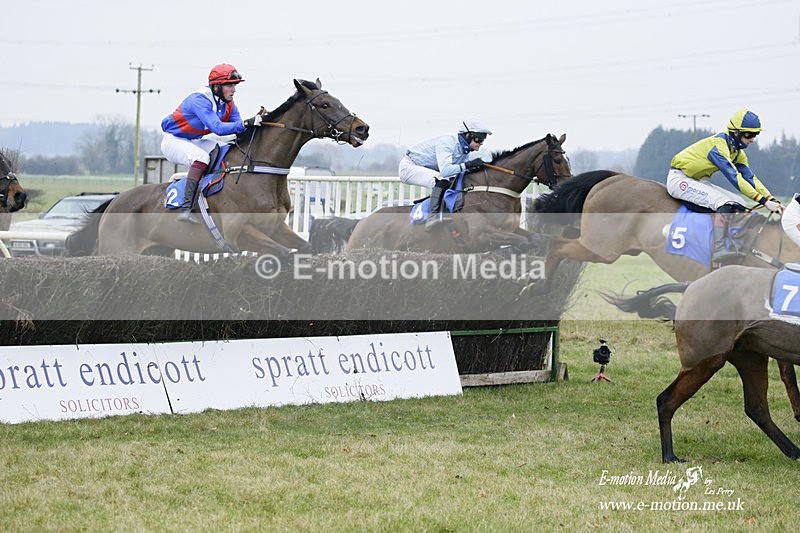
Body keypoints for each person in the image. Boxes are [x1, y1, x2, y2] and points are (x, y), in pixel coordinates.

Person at [666, 109, 783, 263]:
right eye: (749, 135)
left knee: (739, 202)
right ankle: (719, 249)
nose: (753, 139)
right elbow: (735, 178)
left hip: (694, 180)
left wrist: (771, 199)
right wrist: (764, 202)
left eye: (755, 135)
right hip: (679, 179)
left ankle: (734, 243)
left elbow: (750, 178)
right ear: (736, 133)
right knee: (724, 202)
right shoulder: (718, 147)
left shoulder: (737, 153)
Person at [161, 63, 263, 224]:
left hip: (195, 140)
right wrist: (246, 123)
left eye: (235, 85)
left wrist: (258, 125)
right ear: (216, 86)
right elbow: (218, 128)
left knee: (225, 150)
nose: (234, 90)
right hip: (174, 140)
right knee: (201, 158)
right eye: (229, 85)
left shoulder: (229, 104)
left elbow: (239, 128)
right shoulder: (199, 99)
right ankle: (186, 209)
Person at [399, 120, 492, 229]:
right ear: (467, 135)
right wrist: (468, 165)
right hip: (409, 167)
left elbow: (458, 172)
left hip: (424, 168)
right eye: (478, 139)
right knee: (441, 180)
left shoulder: (464, 151)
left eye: (483, 140)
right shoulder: (447, 142)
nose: (481, 143)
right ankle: (432, 217)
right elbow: (446, 171)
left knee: (453, 181)